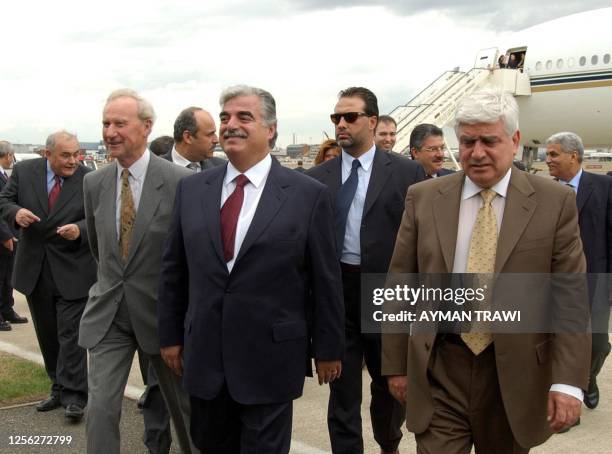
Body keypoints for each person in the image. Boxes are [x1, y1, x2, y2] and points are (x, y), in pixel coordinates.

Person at [382, 89, 591, 453]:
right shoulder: (424, 198)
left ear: (514, 141)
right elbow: (401, 284)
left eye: (489, 141)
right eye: (467, 141)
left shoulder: (554, 202)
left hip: (515, 372)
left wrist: (568, 382)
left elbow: (570, 294)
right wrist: (396, 364)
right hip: (440, 368)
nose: (476, 152)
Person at [157, 85, 344, 454]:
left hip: (270, 359)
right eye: (225, 117)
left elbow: (325, 279)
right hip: (206, 356)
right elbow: (173, 270)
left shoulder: (307, 194)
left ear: (270, 129)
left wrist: (328, 348)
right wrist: (170, 336)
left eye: (244, 117)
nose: (230, 125)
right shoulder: (192, 190)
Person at [78, 89, 196, 454]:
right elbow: (101, 250)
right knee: (99, 409)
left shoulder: (180, 182)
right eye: (105, 123)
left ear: (146, 127)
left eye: (119, 123)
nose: (110, 132)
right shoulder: (94, 182)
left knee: (185, 412)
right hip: (109, 314)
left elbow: (189, 257)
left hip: (163, 319)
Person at [307, 87, 424, 454]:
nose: (341, 124)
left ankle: (389, 443)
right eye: (336, 118)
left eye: (350, 117)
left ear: (372, 121)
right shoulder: (317, 178)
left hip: (387, 294)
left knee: (389, 384)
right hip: (337, 293)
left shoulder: (406, 172)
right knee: (342, 392)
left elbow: (422, 237)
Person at [0, 131, 95, 421]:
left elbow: (99, 217)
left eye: (77, 154)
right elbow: (4, 200)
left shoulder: (88, 178)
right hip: (36, 269)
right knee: (48, 334)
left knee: (71, 335)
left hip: (73, 269)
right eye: (65, 155)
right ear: (47, 154)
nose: (73, 161)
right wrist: (15, 213)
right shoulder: (25, 171)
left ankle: (76, 395)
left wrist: (79, 229)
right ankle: (57, 388)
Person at [546, 131, 612, 416]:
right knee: (556, 339)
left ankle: (588, 377)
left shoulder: (604, 187)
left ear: (573, 156)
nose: (547, 160)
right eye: (546, 155)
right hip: (554, 282)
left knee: (597, 341)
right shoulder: (544, 190)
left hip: (595, 278)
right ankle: (566, 388)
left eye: (553, 154)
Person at [0, 141, 27, 331]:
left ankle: (6, 308)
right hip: (3, 235)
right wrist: (5, 234)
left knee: (8, 274)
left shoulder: (3, 174)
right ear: (8, 155)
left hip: (9, 233)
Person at [162, 106, 225, 171]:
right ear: (188, 137)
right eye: (210, 134)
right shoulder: (155, 169)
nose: (216, 140)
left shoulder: (222, 167)